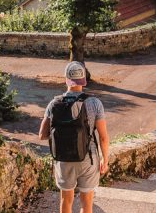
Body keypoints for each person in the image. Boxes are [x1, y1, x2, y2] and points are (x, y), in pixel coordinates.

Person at [38, 61, 109, 213]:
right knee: (86, 204)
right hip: (88, 158)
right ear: (83, 80)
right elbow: (103, 137)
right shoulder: (95, 103)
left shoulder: (53, 103)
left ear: (66, 79)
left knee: (66, 201)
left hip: (64, 159)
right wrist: (105, 159)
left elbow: (42, 135)